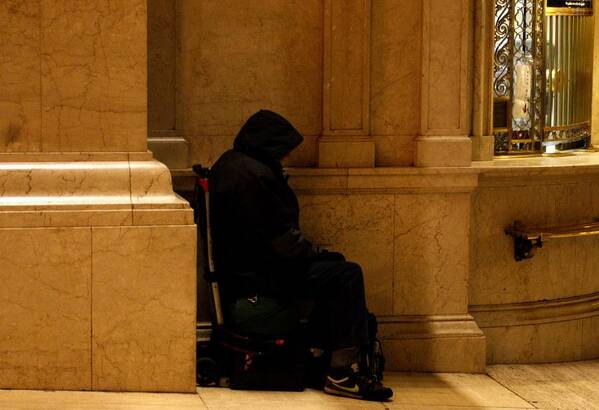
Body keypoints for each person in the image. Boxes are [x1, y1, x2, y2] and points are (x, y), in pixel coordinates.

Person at [209, 109, 393, 401]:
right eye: (282, 151)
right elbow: (281, 239)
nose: (285, 157)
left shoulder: (234, 164)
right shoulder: (254, 176)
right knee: (347, 274)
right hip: (260, 277)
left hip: (249, 270)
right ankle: (342, 372)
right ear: (269, 145)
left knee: (337, 268)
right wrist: (313, 255)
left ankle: (321, 354)